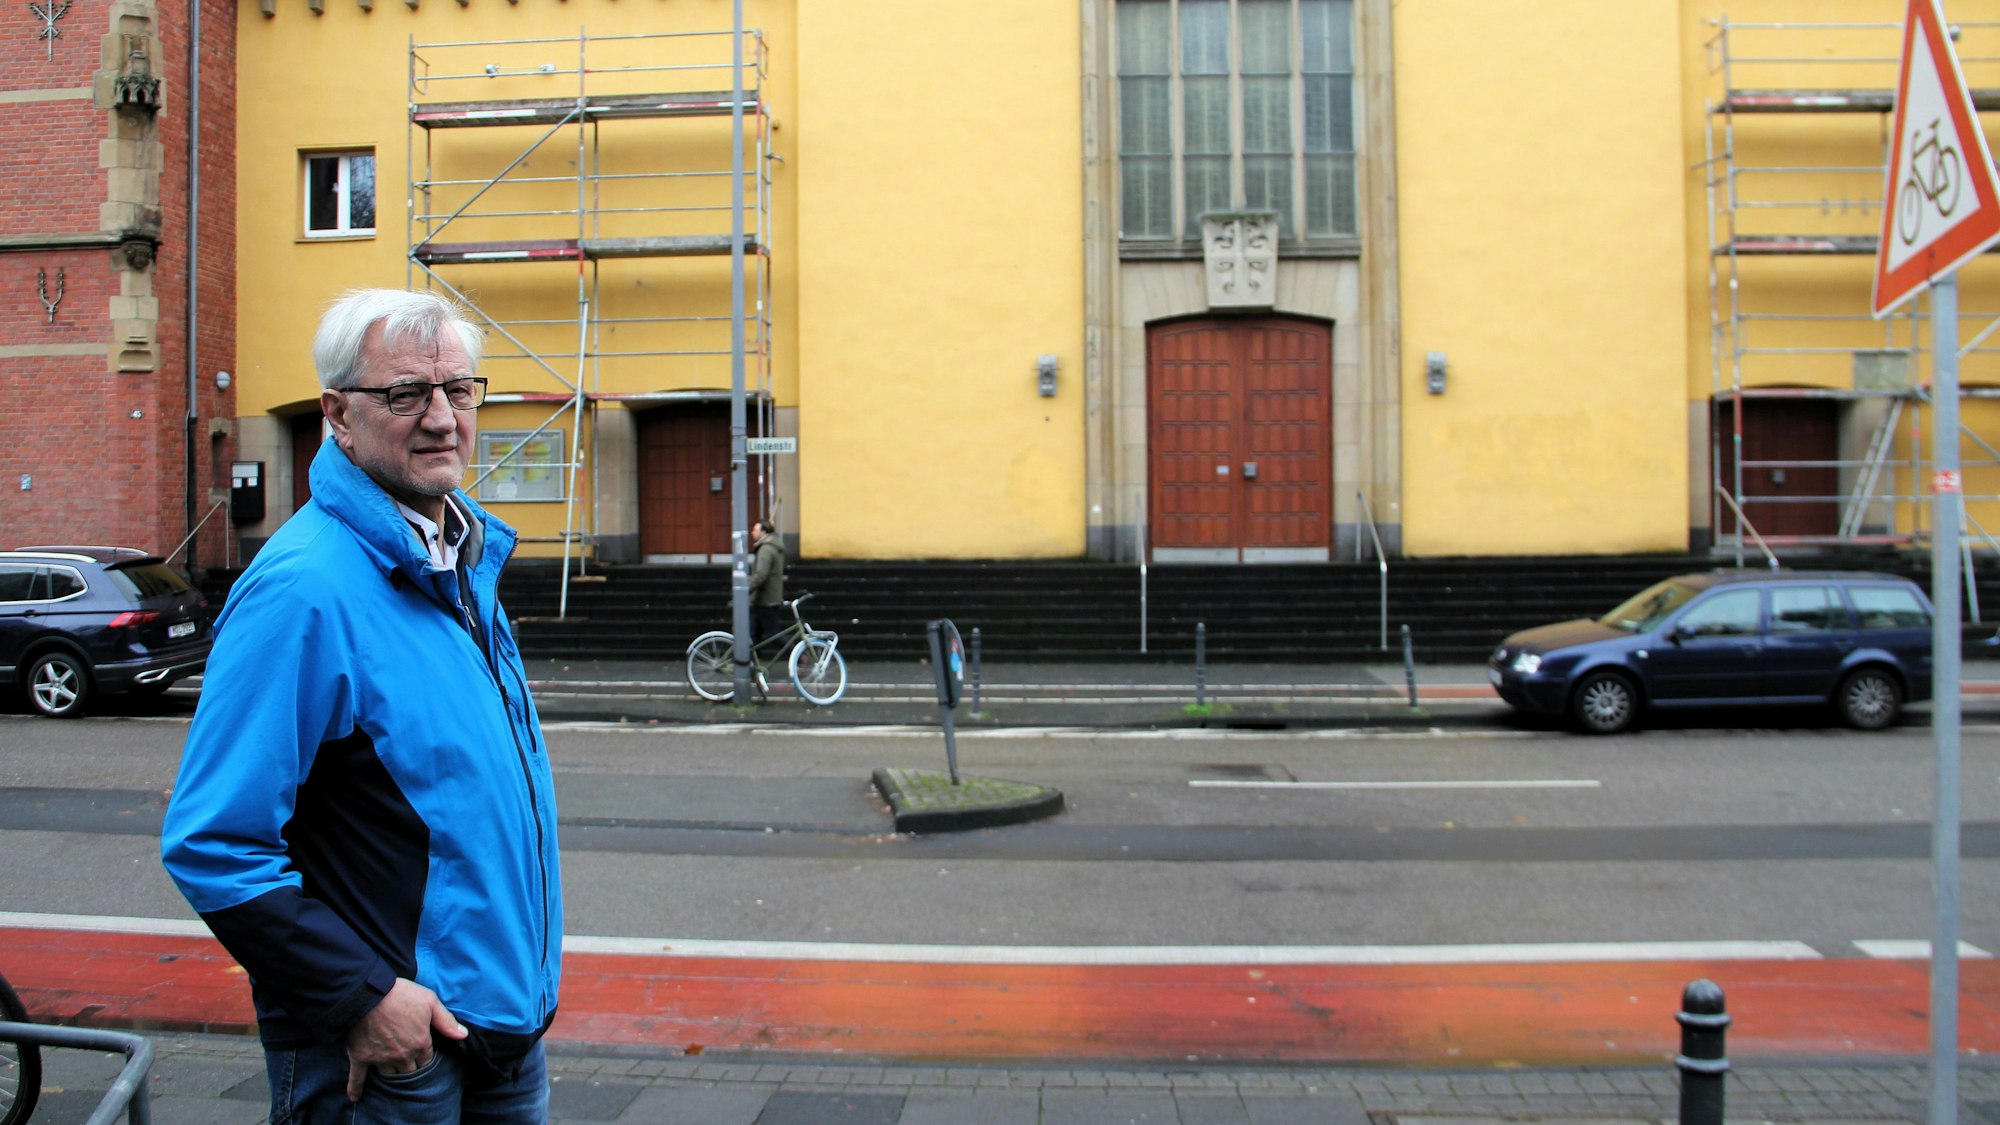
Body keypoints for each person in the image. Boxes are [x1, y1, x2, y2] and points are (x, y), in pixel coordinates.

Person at [161, 288, 562, 1124]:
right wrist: (362, 998)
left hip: (501, 1029)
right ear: (338, 414)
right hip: (396, 1054)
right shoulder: (304, 589)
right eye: (406, 393)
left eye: (459, 389)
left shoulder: (460, 556)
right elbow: (212, 842)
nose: (442, 417)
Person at [749, 517, 786, 649]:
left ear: (763, 532)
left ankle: (800, 656)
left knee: (771, 634)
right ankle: (753, 665)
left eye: (755, 530)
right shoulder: (774, 546)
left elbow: (761, 575)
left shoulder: (765, 549)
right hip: (768, 598)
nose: (752, 532)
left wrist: (746, 588)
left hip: (765, 598)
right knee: (754, 635)